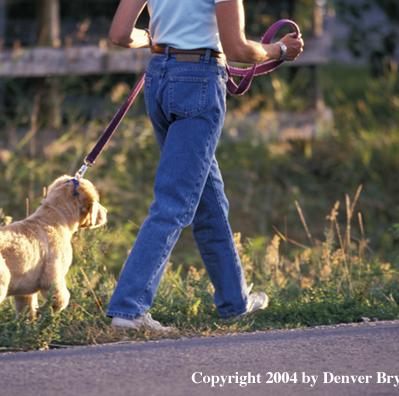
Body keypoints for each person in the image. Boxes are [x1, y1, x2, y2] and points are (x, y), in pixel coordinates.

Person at [105, 0, 304, 331]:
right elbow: (237, 48)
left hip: (159, 76)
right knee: (173, 203)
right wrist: (279, 49)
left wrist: (155, 39)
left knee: (209, 197)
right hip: (198, 80)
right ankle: (128, 309)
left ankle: (235, 302)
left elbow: (119, 35)